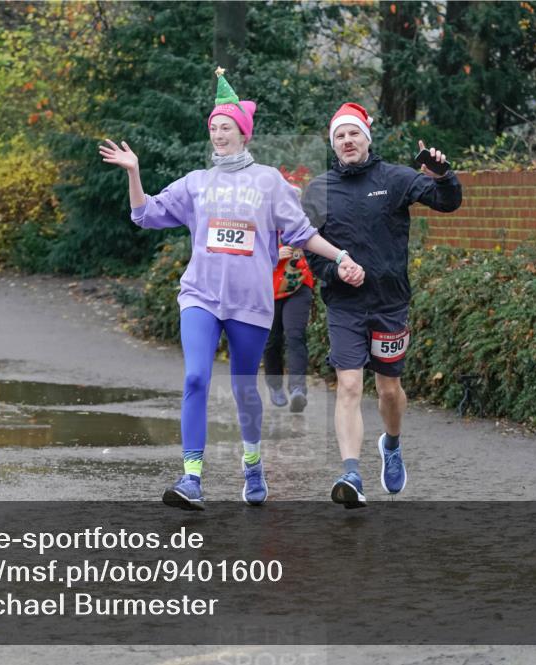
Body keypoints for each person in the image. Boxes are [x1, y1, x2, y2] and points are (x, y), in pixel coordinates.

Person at [99, 69, 364, 511]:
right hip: (200, 296)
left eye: (226, 128)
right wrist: (134, 173)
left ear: (243, 134)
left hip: (249, 303)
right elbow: (144, 215)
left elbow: (300, 232)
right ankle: (192, 478)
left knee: (244, 389)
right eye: (213, 128)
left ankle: (252, 462)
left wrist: (339, 257)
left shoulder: (269, 181)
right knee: (196, 376)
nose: (218, 135)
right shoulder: (196, 183)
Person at [302, 102, 462, 508]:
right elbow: (310, 250)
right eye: (339, 136)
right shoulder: (319, 190)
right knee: (350, 385)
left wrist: (443, 175)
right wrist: (336, 272)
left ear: (367, 138)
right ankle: (351, 474)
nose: (347, 140)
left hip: (390, 303)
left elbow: (447, 202)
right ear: (333, 145)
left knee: (389, 390)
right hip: (345, 306)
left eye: (354, 133)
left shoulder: (394, 178)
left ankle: (391, 444)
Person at [263, 233, 314, 413]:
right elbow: (248, 251)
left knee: (295, 336)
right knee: (272, 340)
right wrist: (274, 254)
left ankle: (297, 389)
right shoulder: (259, 213)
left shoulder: (300, 215)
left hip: (298, 284)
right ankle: (275, 384)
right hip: (267, 288)